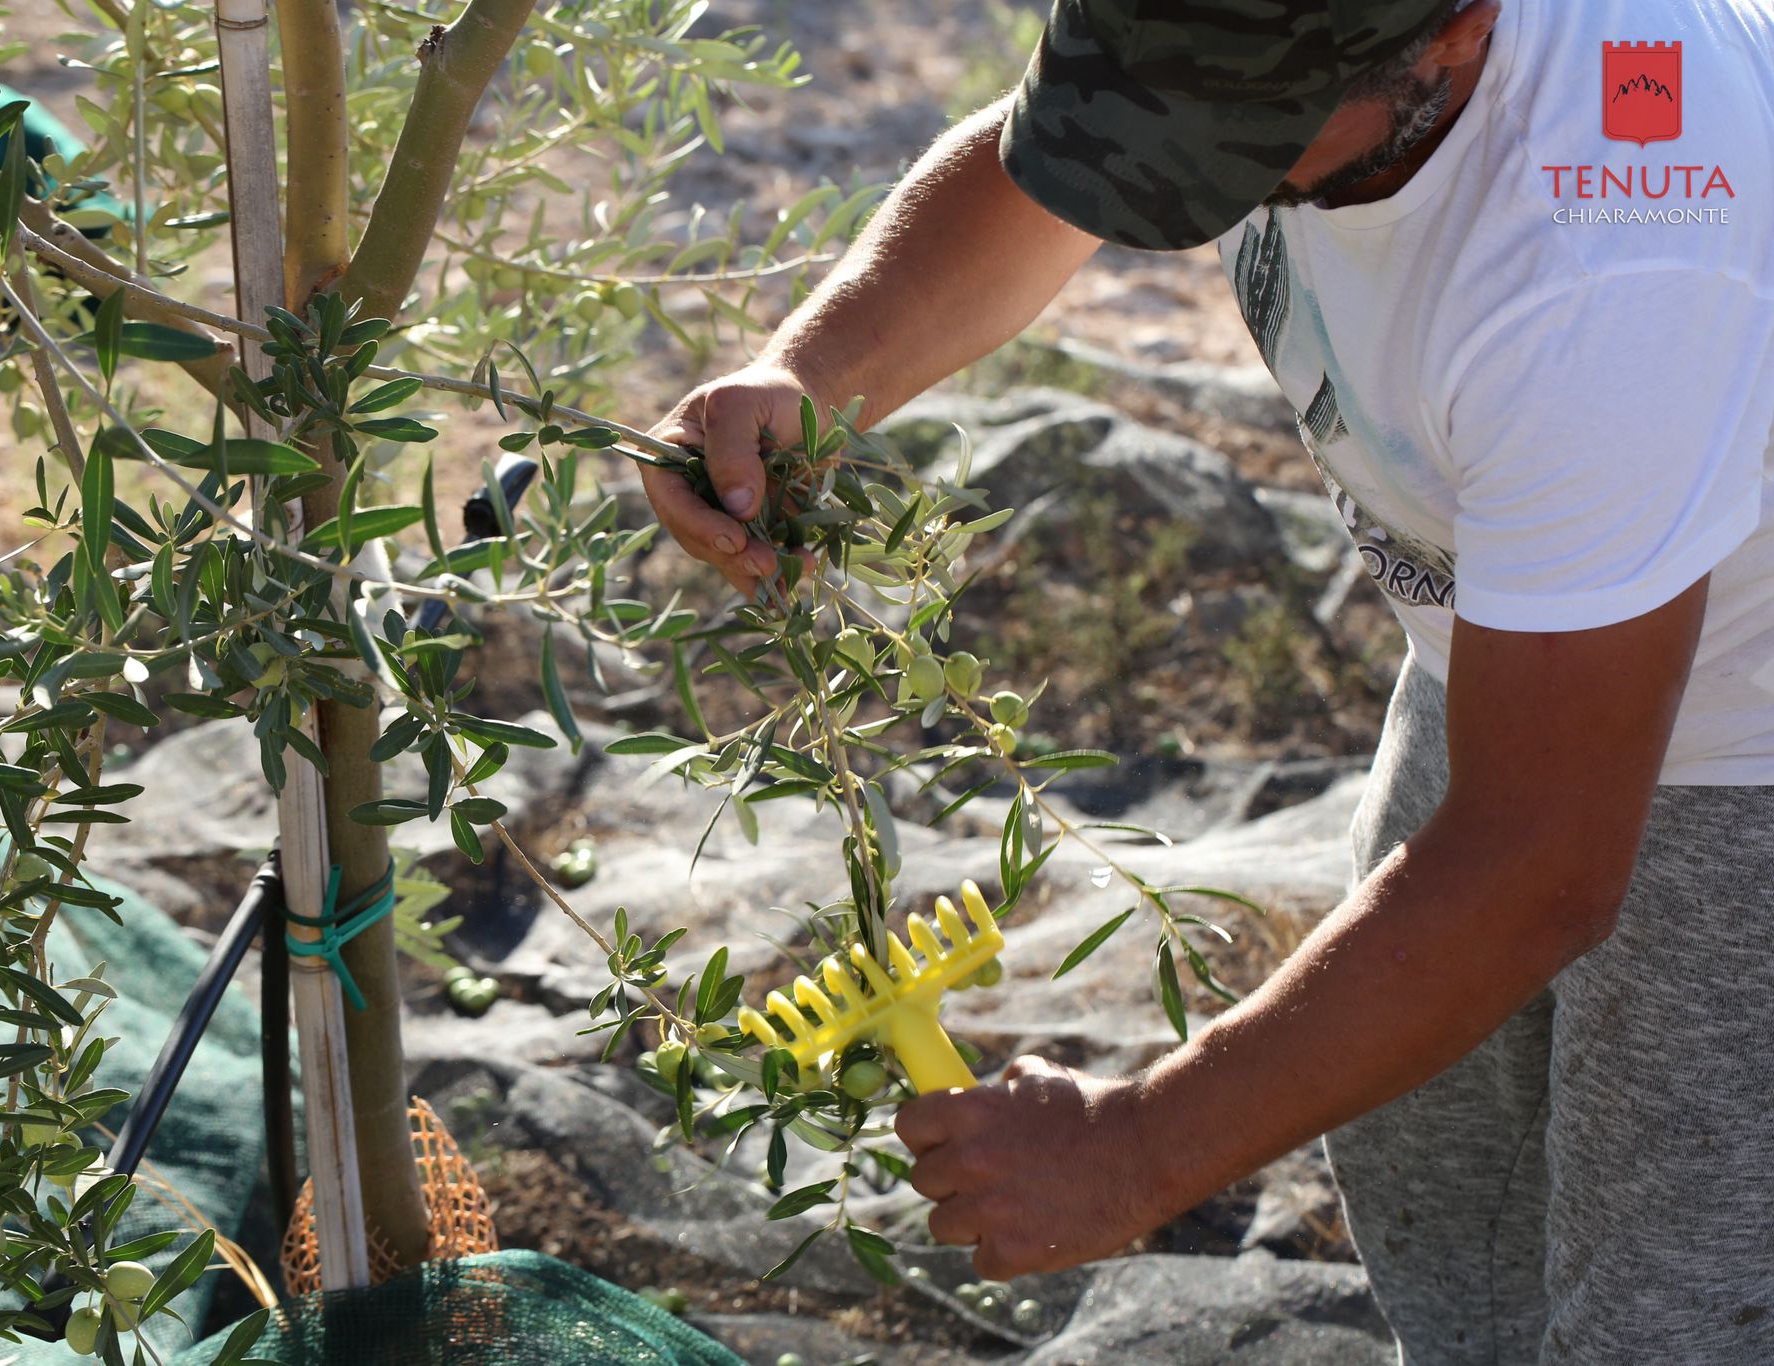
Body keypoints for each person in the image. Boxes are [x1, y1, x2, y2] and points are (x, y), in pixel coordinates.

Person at [641, 0, 1774, 1361]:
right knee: (1443, 1185)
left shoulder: (1612, 263)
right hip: (1509, 654)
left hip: (1740, 763)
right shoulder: (1261, 50)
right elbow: (1045, 177)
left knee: (1679, 1301)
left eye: (1237, 140)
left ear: (1458, 34)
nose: (1188, 173)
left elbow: (1536, 863)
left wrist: (1136, 1144)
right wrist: (811, 367)